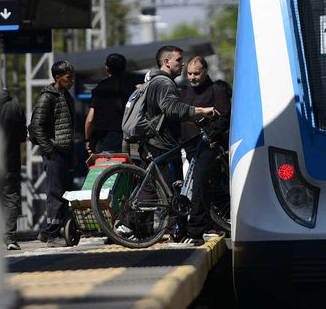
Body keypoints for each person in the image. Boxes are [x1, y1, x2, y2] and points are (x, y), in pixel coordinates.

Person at [136, 46, 218, 244]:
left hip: (156, 140)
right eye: (179, 60)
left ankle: (159, 230)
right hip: (161, 142)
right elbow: (172, 109)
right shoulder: (164, 83)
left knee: (159, 188)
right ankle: (135, 225)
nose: (182, 64)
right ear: (167, 62)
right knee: (169, 191)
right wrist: (201, 111)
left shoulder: (156, 81)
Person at [178, 56, 231, 240]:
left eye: (196, 73)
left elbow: (224, 117)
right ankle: (210, 223)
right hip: (188, 146)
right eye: (189, 74)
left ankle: (195, 231)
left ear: (205, 72)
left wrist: (211, 136)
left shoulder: (216, 90)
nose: (192, 77)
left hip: (208, 146)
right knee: (202, 187)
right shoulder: (184, 92)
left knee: (199, 185)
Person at [29, 60, 80, 246]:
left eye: (73, 77)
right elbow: (37, 126)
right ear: (58, 78)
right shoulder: (47, 97)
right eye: (68, 77)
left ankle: (49, 231)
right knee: (56, 194)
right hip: (54, 153)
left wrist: (72, 152)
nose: (72, 81)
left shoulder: (66, 96)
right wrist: (50, 150)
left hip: (65, 153)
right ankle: (51, 235)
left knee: (65, 193)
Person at [85, 53, 135, 156]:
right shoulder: (132, 87)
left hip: (105, 142)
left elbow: (90, 119)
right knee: (129, 165)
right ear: (124, 68)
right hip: (130, 141)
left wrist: (87, 139)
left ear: (107, 68)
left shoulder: (100, 88)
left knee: (106, 166)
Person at [0, 87, 27, 250]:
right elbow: (22, 135)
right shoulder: (14, 106)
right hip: (9, 161)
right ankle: (9, 238)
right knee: (10, 197)